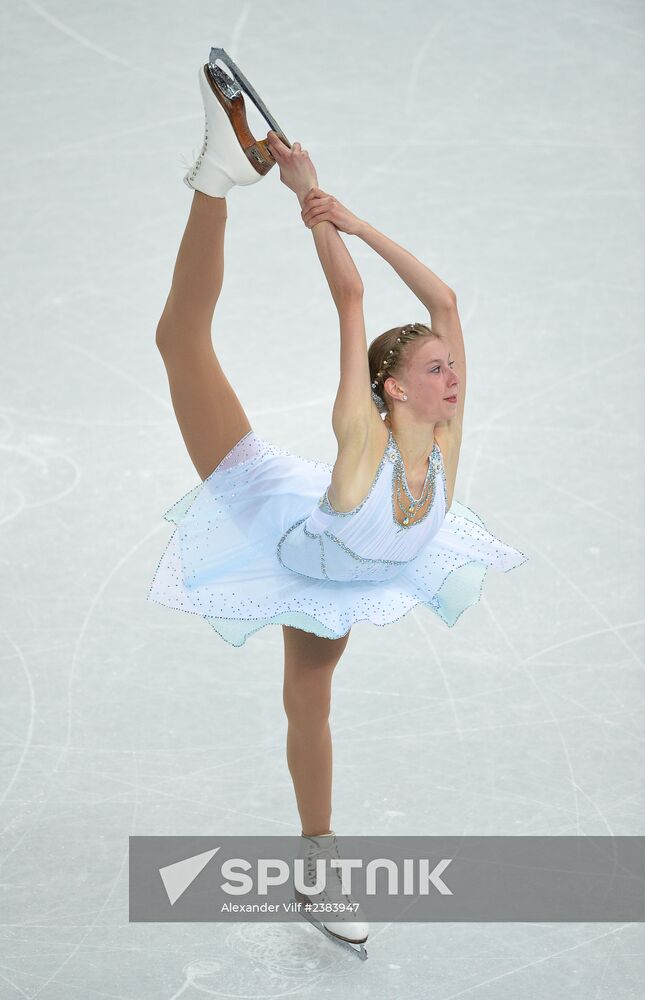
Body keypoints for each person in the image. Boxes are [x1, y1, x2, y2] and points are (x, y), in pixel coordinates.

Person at [148, 50, 528, 960]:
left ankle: (313, 857)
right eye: (435, 370)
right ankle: (215, 177)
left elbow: (438, 297)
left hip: (355, 564)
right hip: (282, 529)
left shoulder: (441, 436)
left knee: (310, 696)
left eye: (450, 368)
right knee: (178, 340)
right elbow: (351, 294)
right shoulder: (361, 437)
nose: (454, 378)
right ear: (389, 392)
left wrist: (347, 211)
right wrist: (305, 208)